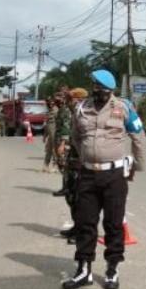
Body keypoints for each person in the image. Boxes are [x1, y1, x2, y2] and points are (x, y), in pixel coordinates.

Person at [63, 70, 145, 289]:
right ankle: (84, 270)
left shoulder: (124, 107)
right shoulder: (82, 108)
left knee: (113, 224)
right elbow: (76, 137)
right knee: (85, 223)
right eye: (95, 87)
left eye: (100, 88)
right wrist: (87, 155)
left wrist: (136, 165)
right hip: (88, 174)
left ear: (109, 90)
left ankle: (112, 269)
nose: (96, 91)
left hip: (114, 175)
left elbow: (138, 135)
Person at [55, 88, 89, 243]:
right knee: (71, 196)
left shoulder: (85, 114)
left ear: (79, 99)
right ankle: (77, 227)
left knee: (79, 199)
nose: (68, 101)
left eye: (71, 99)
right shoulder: (75, 112)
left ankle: (81, 232)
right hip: (73, 160)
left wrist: (63, 143)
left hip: (81, 162)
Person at [43, 97, 59, 172]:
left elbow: (58, 123)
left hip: (55, 133)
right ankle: (46, 165)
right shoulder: (49, 111)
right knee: (49, 149)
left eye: (52, 102)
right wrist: (45, 136)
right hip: (50, 133)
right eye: (48, 102)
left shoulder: (56, 110)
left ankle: (55, 165)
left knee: (54, 149)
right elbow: (47, 125)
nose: (50, 103)